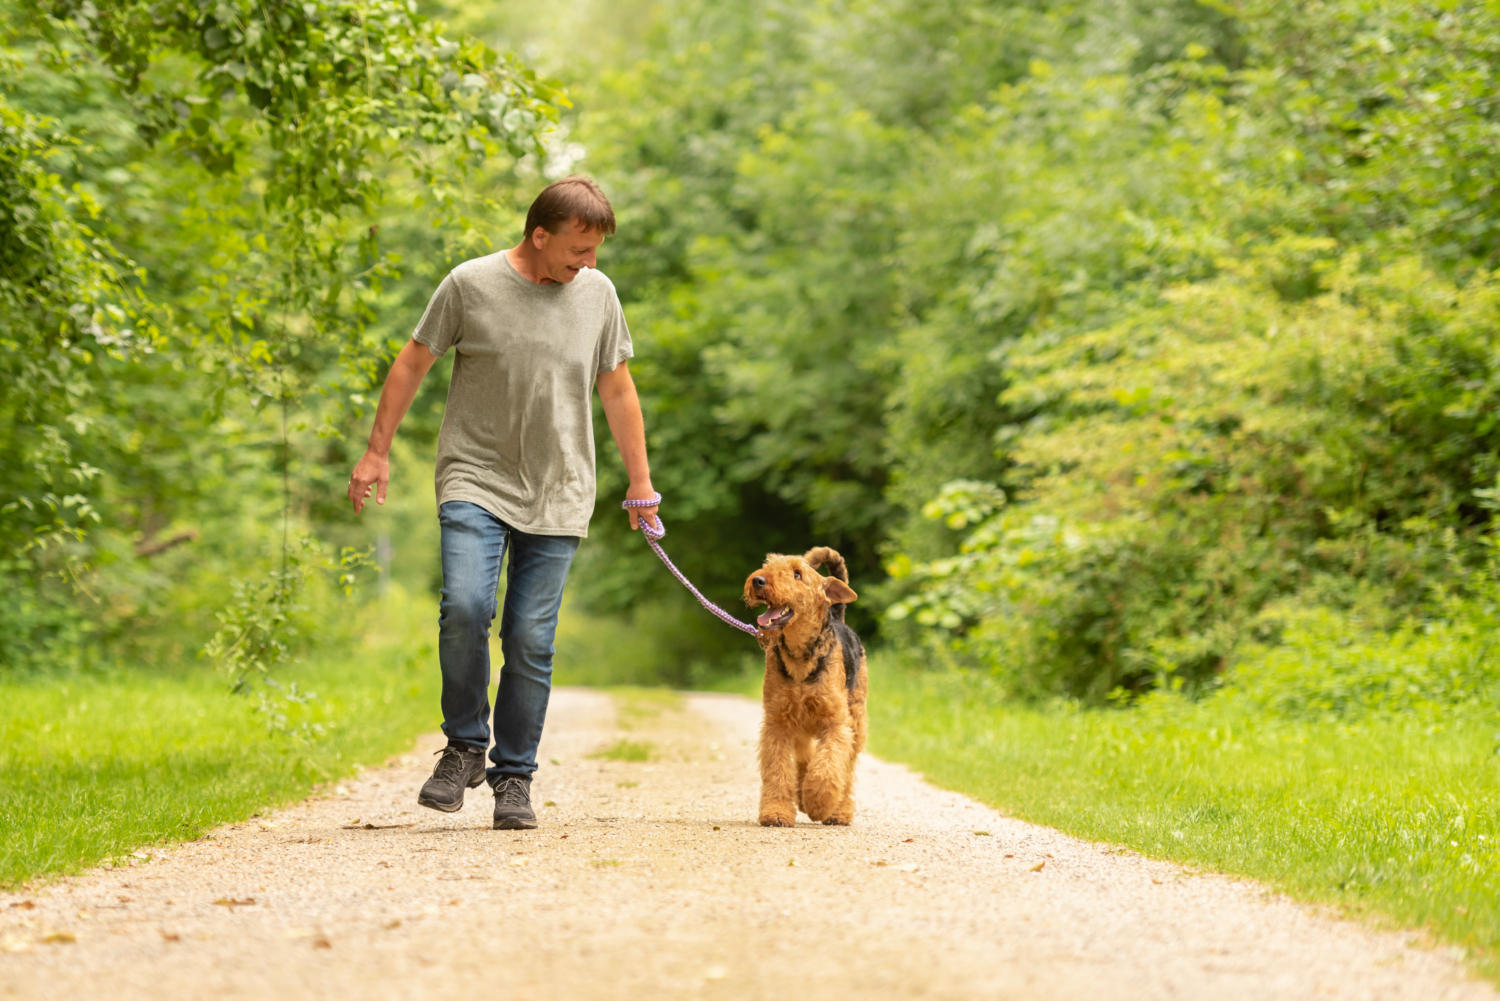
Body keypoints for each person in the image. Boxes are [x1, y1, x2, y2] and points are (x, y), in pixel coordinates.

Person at [346, 176, 659, 830]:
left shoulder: (597, 295)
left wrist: (640, 481)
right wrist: (377, 450)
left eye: (596, 250)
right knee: (464, 605)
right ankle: (464, 745)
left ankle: (514, 776)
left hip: (561, 485)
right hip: (475, 474)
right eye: (579, 249)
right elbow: (411, 362)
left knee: (529, 638)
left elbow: (619, 388)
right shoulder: (470, 284)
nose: (589, 263)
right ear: (538, 235)